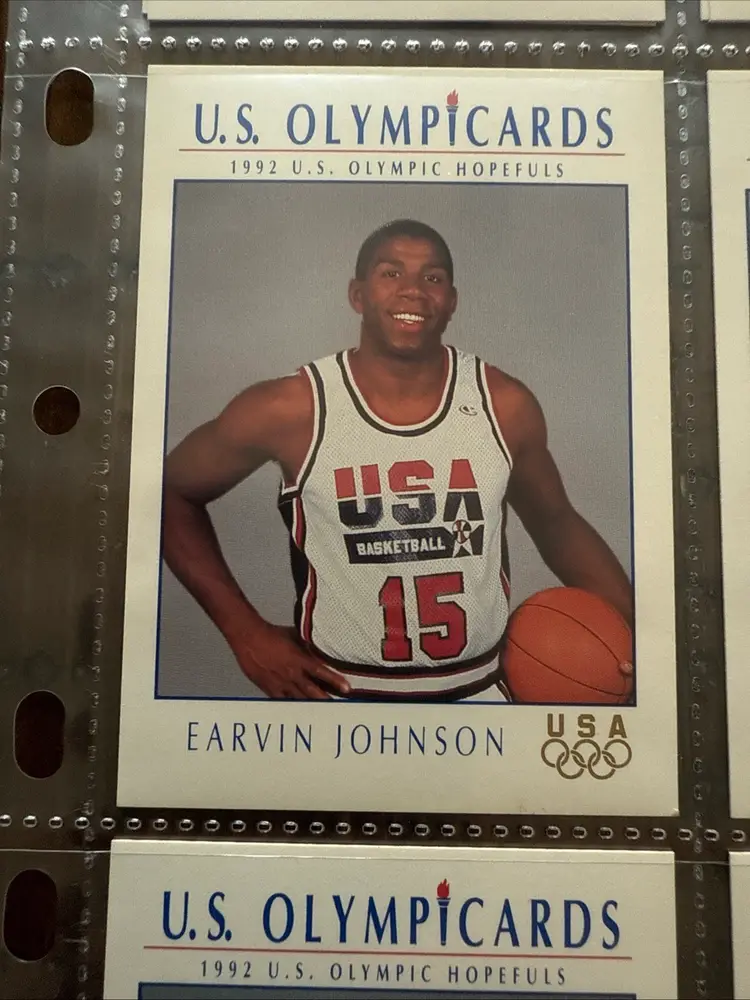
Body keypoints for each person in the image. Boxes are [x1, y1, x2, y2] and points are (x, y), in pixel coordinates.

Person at [162, 219, 633, 702]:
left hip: (481, 697)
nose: (413, 290)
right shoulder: (292, 408)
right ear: (357, 295)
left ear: (452, 300)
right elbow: (171, 492)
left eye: (432, 277)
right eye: (391, 273)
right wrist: (244, 633)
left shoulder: (502, 404)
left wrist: (643, 639)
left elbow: (557, 523)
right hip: (337, 700)